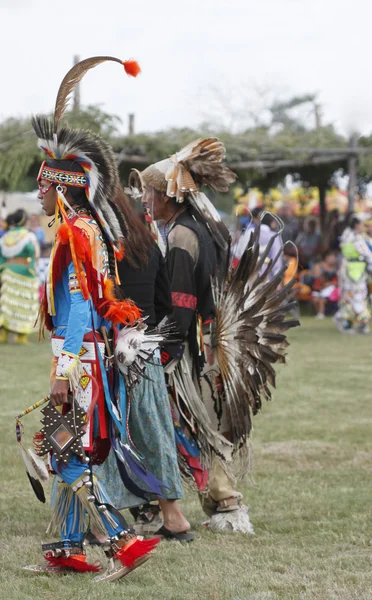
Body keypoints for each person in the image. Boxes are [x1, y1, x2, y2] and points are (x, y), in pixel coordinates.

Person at [22, 56, 160, 583]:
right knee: (63, 451)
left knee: (70, 454)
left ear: (62, 188)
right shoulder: (91, 230)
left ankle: (123, 544)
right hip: (89, 359)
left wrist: (62, 370)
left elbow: (79, 307)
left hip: (77, 363)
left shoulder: (72, 235)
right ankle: (63, 549)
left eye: (43, 186)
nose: (38, 193)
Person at [138, 138, 298, 532]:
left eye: (150, 193)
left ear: (168, 195)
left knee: (176, 421)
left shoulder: (181, 237)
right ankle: (216, 502)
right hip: (210, 342)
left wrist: (164, 347)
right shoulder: (207, 227)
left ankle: (179, 504)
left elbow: (181, 302)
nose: (145, 200)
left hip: (190, 346)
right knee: (204, 420)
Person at [94, 187, 192, 541]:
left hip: (109, 351)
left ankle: (102, 522)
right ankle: (174, 517)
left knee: (106, 431)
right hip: (146, 348)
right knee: (155, 431)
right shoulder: (150, 245)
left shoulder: (102, 249)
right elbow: (166, 303)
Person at [0, 209, 39, 344]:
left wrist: (3, 269)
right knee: (24, 305)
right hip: (24, 272)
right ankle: (21, 336)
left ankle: (3, 333)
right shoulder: (28, 236)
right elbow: (34, 254)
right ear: (24, 221)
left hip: (8, 273)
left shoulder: (6, 236)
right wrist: (33, 269)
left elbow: (1, 257)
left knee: (7, 304)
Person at [334, 217, 372, 334]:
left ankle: (348, 323)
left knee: (350, 297)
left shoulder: (346, 235)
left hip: (349, 270)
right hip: (356, 271)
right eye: (361, 225)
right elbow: (367, 254)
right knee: (358, 296)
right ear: (356, 225)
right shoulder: (356, 238)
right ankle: (358, 323)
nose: (363, 228)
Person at [233, 208, 283, 277]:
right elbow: (276, 260)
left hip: (247, 274)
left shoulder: (250, 232)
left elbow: (239, 253)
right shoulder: (275, 236)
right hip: (265, 276)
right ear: (272, 223)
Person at [310, 251, 339, 319]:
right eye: (332, 257)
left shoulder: (335, 268)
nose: (333, 259)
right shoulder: (318, 266)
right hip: (319, 287)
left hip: (332, 289)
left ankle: (321, 313)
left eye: (334, 258)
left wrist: (329, 284)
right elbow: (316, 279)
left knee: (322, 299)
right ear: (326, 257)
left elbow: (337, 281)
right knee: (315, 299)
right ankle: (320, 313)